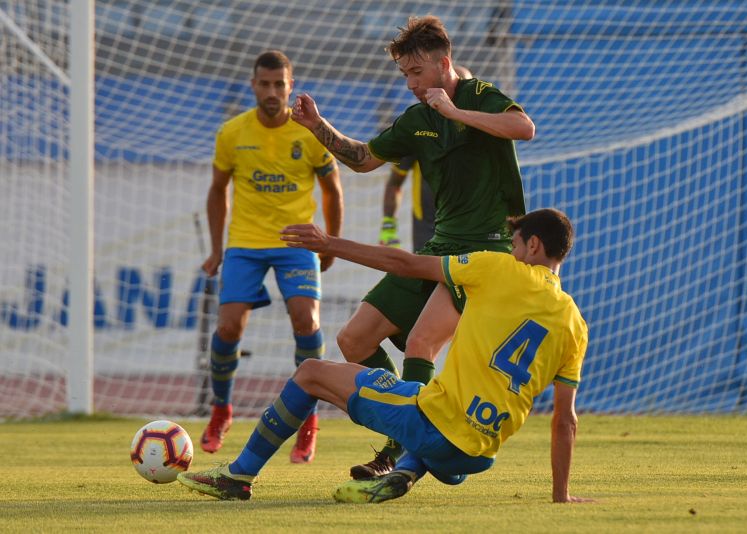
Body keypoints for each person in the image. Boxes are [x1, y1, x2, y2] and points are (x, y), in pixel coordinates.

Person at [176, 208, 591, 505]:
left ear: (533, 245)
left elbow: (403, 263)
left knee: (310, 372)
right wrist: (560, 495)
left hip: (433, 427)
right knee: (429, 409)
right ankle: (406, 472)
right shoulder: (574, 324)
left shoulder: (499, 268)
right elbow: (564, 420)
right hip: (478, 455)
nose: (512, 248)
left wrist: (329, 243)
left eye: (516, 242)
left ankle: (239, 476)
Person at [291, 16, 535, 478]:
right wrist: (317, 125)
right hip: (439, 247)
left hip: (485, 253)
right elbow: (363, 160)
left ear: (444, 63)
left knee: (421, 342)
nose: (409, 84)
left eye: (416, 73)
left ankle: (404, 454)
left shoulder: (480, 96)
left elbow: (524, 128)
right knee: (353, 339)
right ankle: (404, 433)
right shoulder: (417, 118)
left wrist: (455, 113)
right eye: (403, 75)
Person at [199, 50, 343, 464]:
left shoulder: (309, 133)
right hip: (245, 242)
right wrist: (215, 249)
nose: (272, 92)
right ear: (253, 86)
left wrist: (329, 242)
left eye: (279, 84)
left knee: (307, 320)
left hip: (296, 242)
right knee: (228, 327)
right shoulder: (232, 132)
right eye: (264, 84)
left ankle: (308, 421)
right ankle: (221, 410)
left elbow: (333, 190)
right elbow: (217, 190)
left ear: (290, 86)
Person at [379, 65, 473, 252]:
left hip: (470, 228)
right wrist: (388, 227)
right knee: (427, 280)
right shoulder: (418, 129)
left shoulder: (481, 130)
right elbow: (395, 182)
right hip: (427, 230)